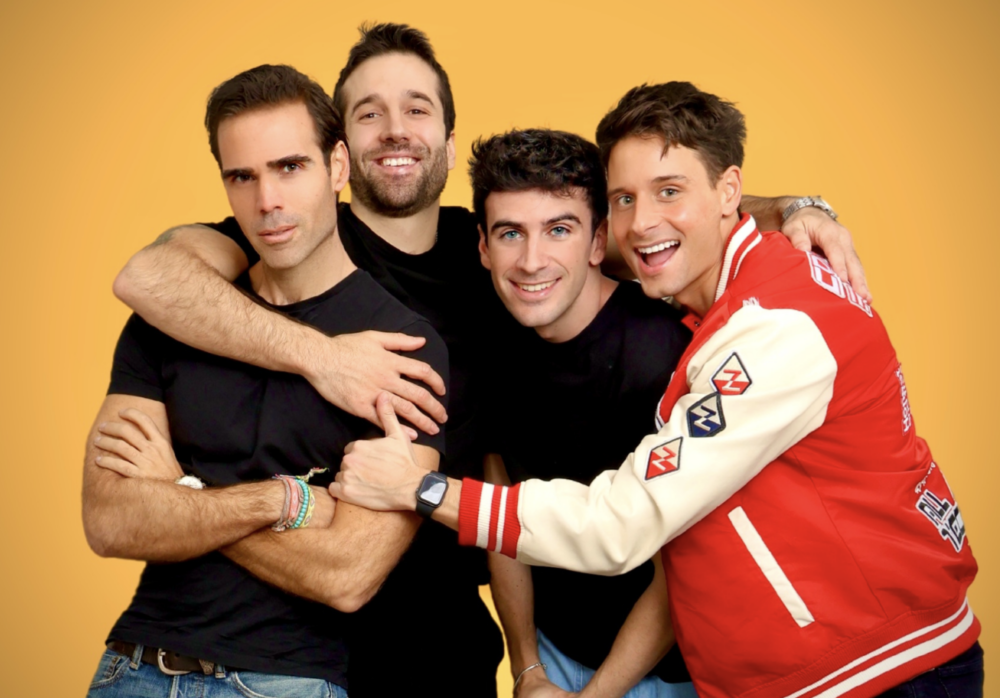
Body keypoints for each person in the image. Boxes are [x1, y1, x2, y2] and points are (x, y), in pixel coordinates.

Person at [111, 24, 865, 693]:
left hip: (447, 646)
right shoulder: (288, 237)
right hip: (295, 648)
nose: (395, 130)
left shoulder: (505, 250)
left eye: (417, 109)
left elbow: (652, 216)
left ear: (447, 139)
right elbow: (146, 276)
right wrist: (322, 358)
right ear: (339, 154)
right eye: (368, 112)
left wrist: (793, 208)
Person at [331, 82, 982, 698]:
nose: (642, 224)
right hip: (811, 663)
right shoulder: (725, 291)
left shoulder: (773, 329)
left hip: (883, 666)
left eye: (669, 191)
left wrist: (421, 488)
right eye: (625, 199)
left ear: (730, 191)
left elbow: (621, 524)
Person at [82, 63, 447, 697]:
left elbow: (347, 575)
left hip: (283, 681)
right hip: (132, 668)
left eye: (290, 167)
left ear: (337, 167)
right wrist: (284, 502)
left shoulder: (403, 351)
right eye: (242, 177)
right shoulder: (180, 315)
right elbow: (110, 522)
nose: (267, 202)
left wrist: (179, 492)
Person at [471, 128, 697, 698]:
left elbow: (686, 566)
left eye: (559, 230)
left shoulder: (662, 355)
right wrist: (527, 669)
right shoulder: (488, 339)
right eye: (510, 233)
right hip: (550, 653)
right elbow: (501, 516)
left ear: (598, 243)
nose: (531, 261)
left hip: (663, 670)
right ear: (483, 247)